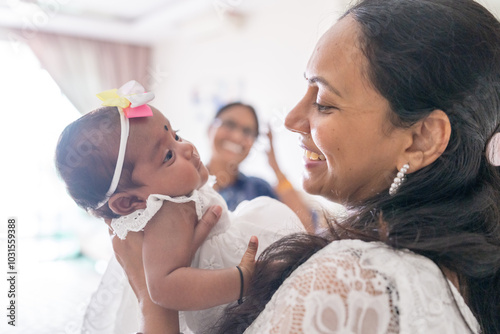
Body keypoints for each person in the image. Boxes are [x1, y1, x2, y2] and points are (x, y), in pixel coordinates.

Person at [110, 0, 500, 333]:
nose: (291, 119)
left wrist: (153, 302)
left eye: (325, 102)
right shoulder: (459, 265)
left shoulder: (353, 279)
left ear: (420, 139)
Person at [54, 81, 305, 333]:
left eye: (175, 135)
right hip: (229, 295)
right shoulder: (168, 207)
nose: (185, 147)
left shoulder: (238, 187)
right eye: (168, 155)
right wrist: (242, 279)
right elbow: (164, 288)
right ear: (129, 202)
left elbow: (308, 220)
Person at [207, 102, 317, 233]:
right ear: (210, 128)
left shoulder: (257, 189)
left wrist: (275, 167)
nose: (237, 137)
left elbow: (306, 228)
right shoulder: (186, 177)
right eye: (230, 124)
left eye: (247, 132)